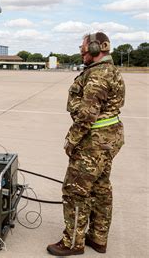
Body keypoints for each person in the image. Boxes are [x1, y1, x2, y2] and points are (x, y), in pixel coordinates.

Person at [47, 32, 125, 256]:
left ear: (94, 48)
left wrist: (71, 140)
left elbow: (87, 114)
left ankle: (73, 242)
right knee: (100, 189)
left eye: (83, 47)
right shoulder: (108, 70)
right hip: (107, 139)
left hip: (94, 141)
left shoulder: (98, 75)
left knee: (75, 191)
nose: (81, 51)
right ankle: (98, 238)